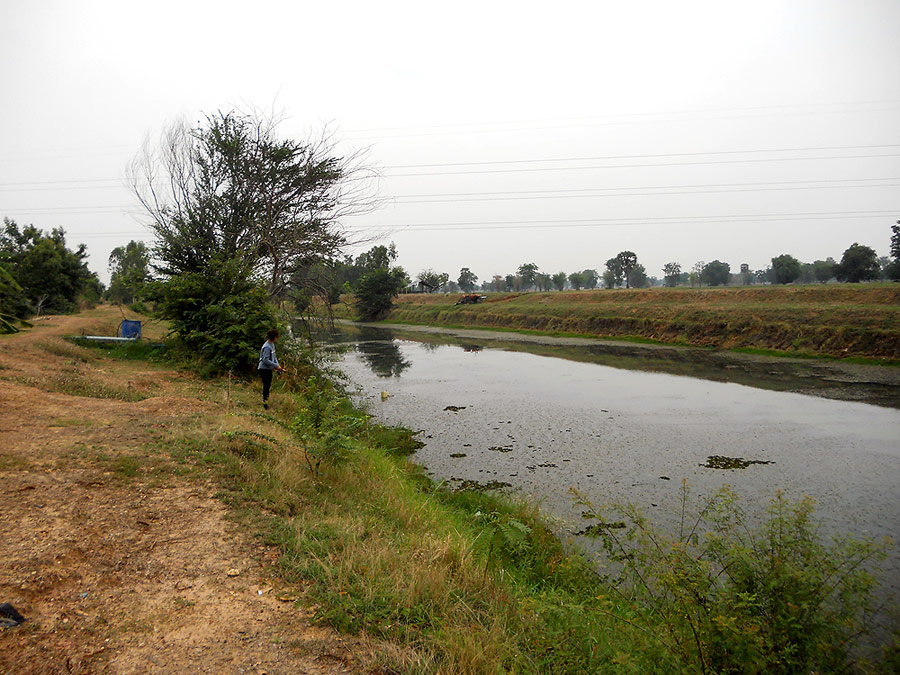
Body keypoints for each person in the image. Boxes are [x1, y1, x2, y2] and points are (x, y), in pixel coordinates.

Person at [258, 328, 283, 409]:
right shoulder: (267, 347)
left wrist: (277, 366)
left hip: (269, 369)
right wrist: (275, 366)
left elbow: (274, 357)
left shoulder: (272, 345)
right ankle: (265, 404)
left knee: (268, 386)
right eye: (277, 336)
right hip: (263, 369)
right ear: (274, 337)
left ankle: (266, 402)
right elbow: (265, 360)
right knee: (266, 386)